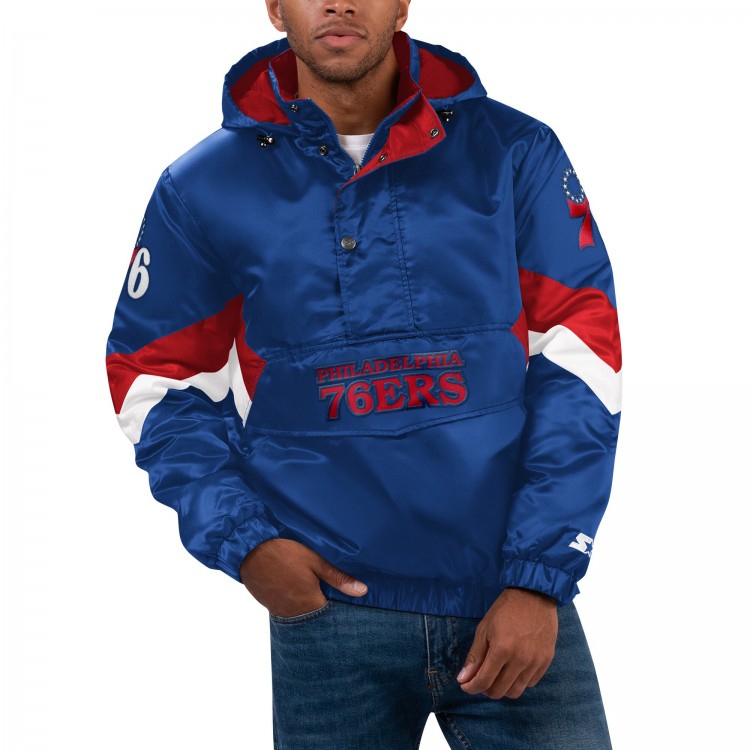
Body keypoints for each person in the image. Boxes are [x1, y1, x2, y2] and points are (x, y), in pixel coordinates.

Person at [105, 1, 622, 747]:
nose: (339, 2)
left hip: (511, 604)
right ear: (276, 7)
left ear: (402, 3)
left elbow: (583, 358)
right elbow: (156, 378)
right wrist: (246, 542)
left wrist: (538, 574)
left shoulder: (514, 151)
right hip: (329, 613)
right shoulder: (203, 187)